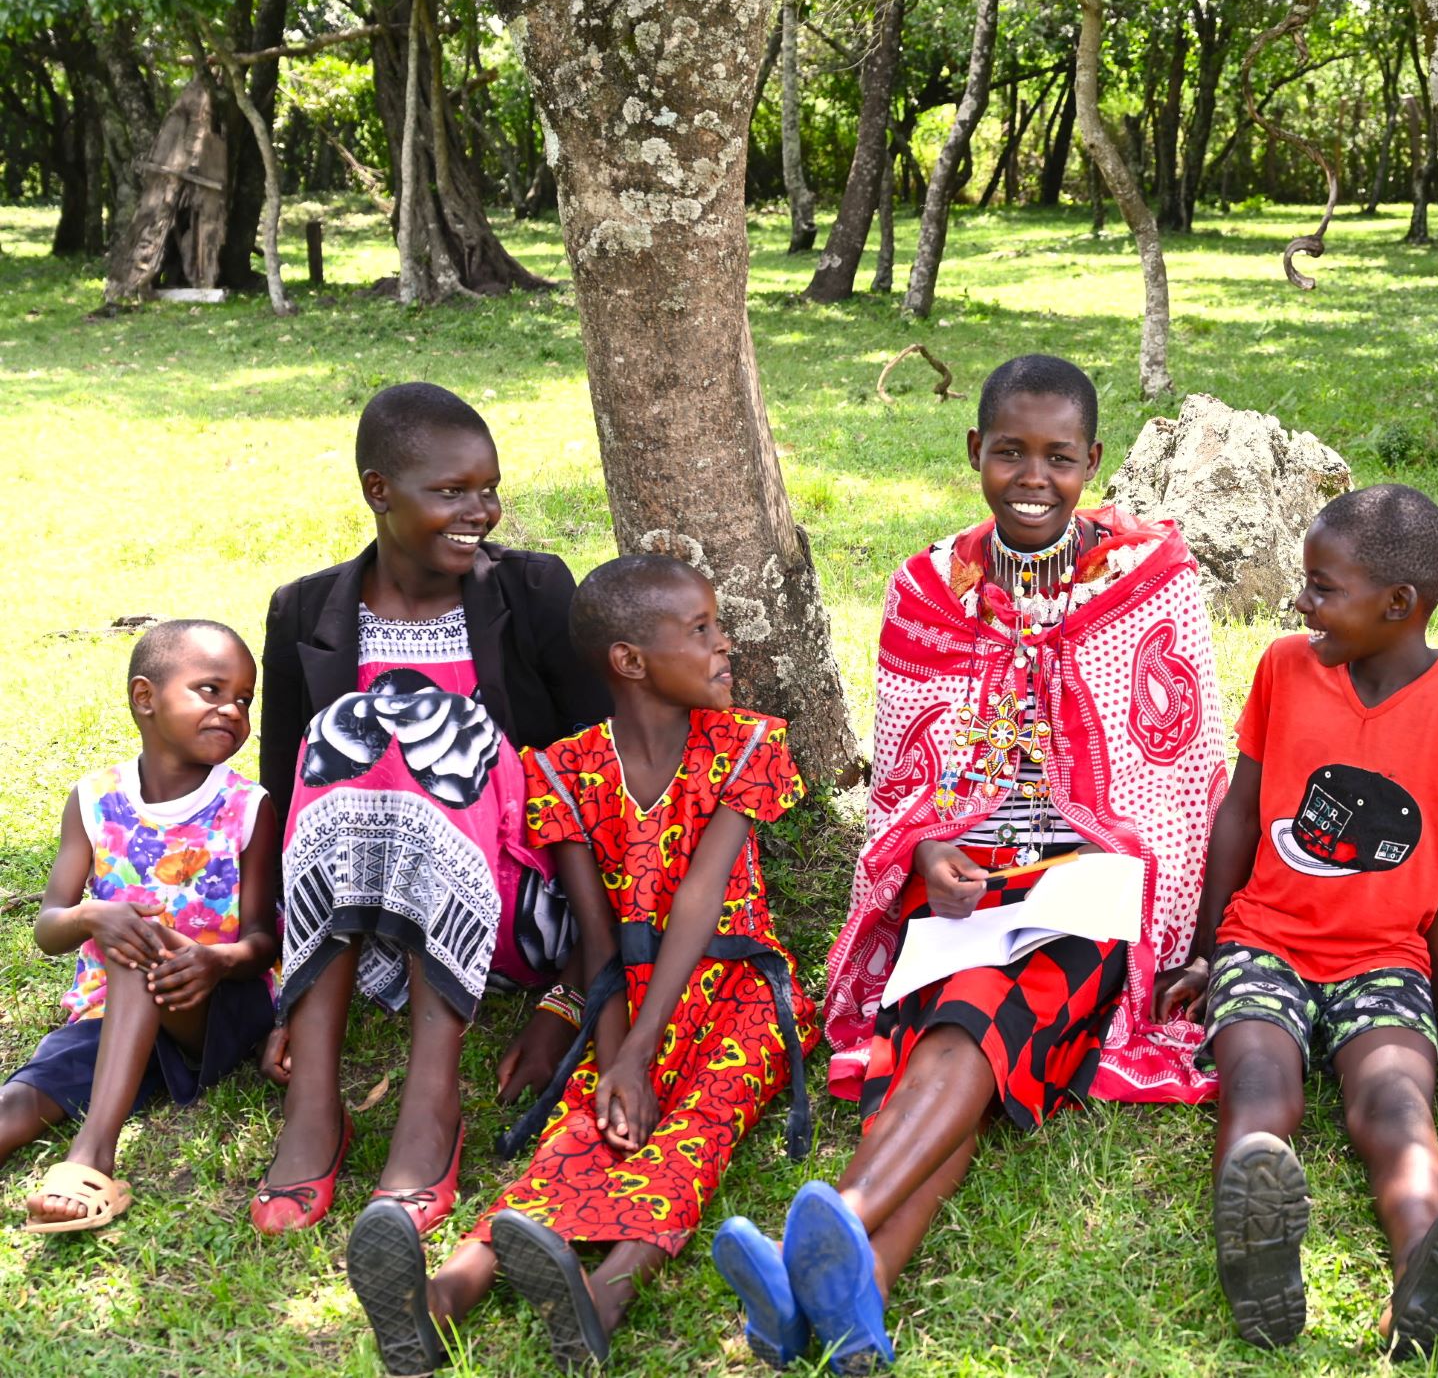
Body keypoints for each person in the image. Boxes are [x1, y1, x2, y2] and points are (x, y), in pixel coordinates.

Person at [713, 355, 1225, 1374]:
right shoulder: (924, 591)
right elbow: (908, 778)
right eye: (1008, 454)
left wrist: (1100, 864)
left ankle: (838, 1228)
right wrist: (932, 848)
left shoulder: (1152, 580)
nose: (1032, 479)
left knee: (972, 1019)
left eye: (1059, 459)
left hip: (1095, 886)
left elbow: (1181, 771)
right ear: (973, 454)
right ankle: (855, 1312)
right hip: (968, 881)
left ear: (1094, 463)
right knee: (947, 1043)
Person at [344, 554, 812, 1374]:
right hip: (624, 992)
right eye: (700, 630)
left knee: (697, 1123)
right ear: (628, 661)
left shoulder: (750, 744)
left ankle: (607, 1292)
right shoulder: (563, 770)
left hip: (740, 993)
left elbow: (701, 905)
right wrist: (614, 1057)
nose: (723, 643)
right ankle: (446, 1292)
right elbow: (597, 940)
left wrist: (638, 1056)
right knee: (587, 1124)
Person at [1160, 484, 1438, 1355]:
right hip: (1264, 941)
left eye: (1323, 588)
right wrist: (1210, 949)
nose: (1302, 603)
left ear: (1399, 604)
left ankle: (1425, 1283)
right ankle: (1254, 1256)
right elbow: (1241, 815)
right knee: (1259, 1087)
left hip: (1386, 958)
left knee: (1398, 1105)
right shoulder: (1286, 669)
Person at [254, 381, 608, 1234]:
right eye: (449, 492)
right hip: (360, 921)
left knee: (419, 727)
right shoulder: (306, 611)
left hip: (512, 906)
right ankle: (315, 1106)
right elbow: (283, 793)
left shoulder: (532, 591)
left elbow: (593, 787)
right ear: (379, 490)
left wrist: (572, 996)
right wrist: (277, 971)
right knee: (350, 730)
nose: (479, 510)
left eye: (486, 488)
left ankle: (430, 1103)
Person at [0, 620, 278, 1232]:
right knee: (20, 1104)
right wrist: (91, 914)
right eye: (211, 690)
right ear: (145, 697)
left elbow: (263, 940)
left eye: (244, 699)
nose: (232, 709)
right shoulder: (94, 799)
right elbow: (49, 928)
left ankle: (92, 1154)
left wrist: (215, 962)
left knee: (135, 941)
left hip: (211, 1006)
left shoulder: (246, 806)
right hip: (111, 1018)